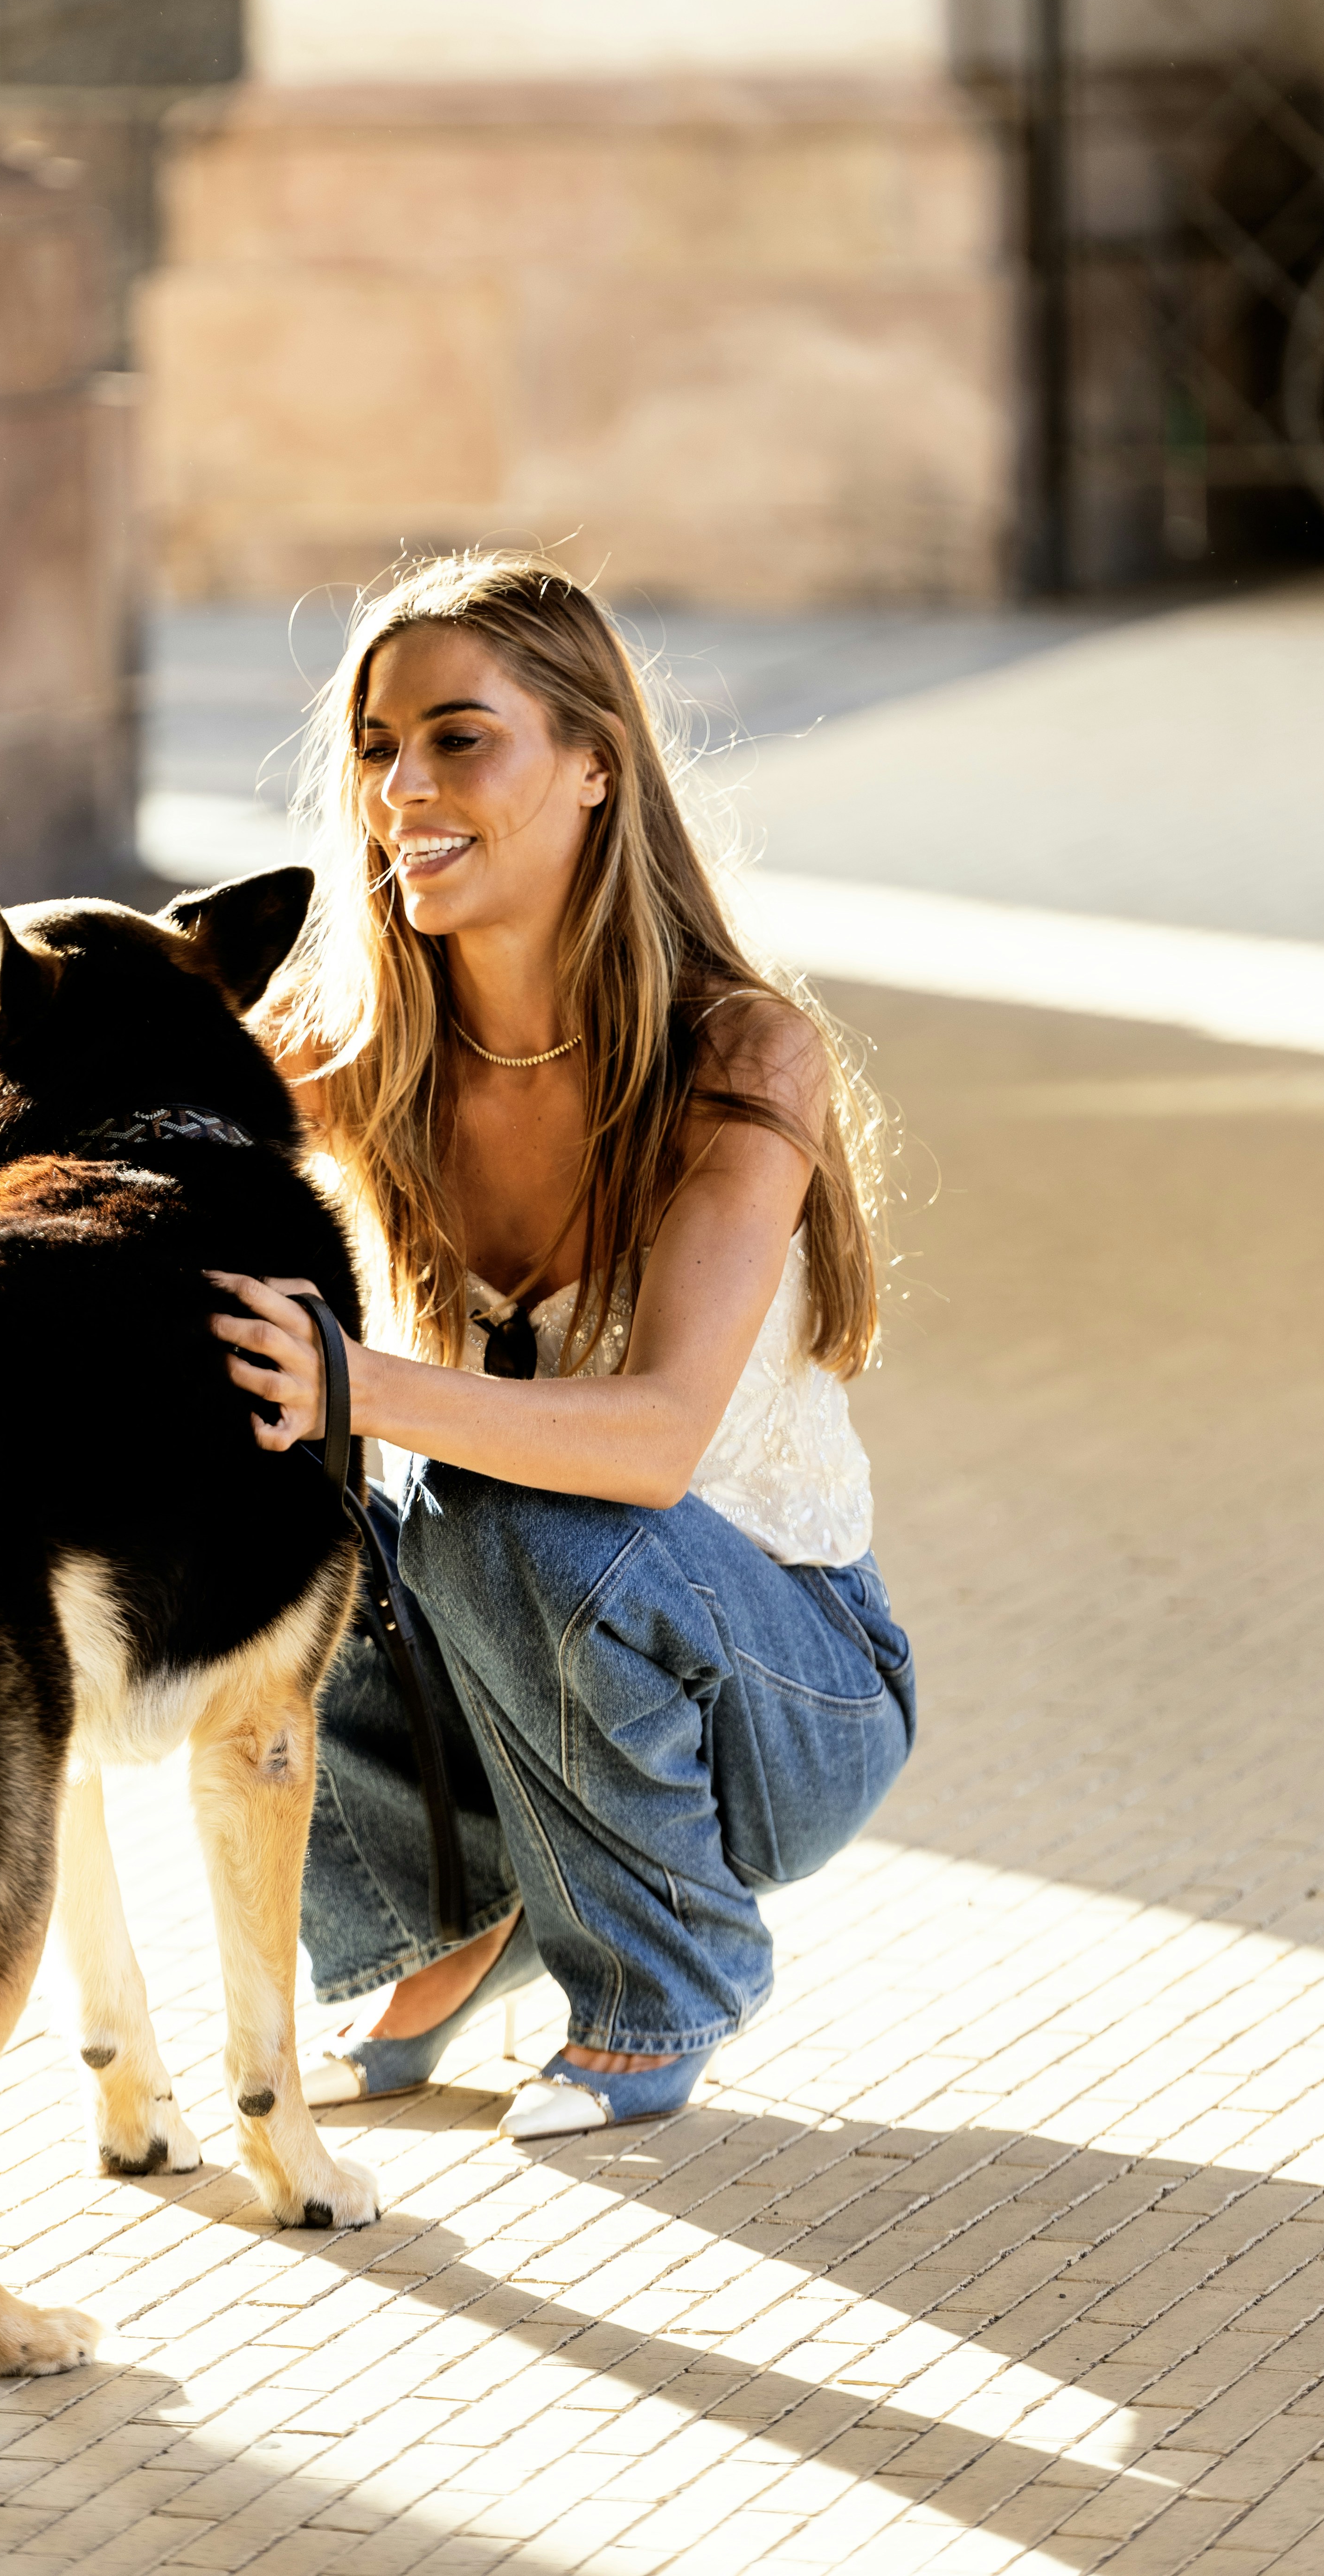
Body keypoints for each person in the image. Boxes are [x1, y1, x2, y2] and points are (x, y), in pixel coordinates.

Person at [206, 553, 915, 2139]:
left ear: (595, 765)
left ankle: (673, 1969)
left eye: (463, 739)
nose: (405, 789)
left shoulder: (745, 1052)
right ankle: (454, 1924)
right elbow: (165, 1136)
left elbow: (653, 1438)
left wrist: (361, 1384)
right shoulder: (356, 1040)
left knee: (483, 1502)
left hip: (787, 1682)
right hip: (531, 1626)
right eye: (379, 749)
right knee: (264, 1500)